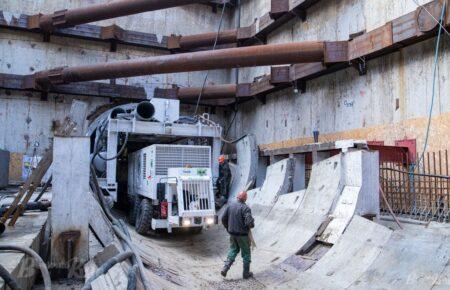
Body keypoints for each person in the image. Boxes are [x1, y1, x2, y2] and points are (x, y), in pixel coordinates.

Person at [220, 191, 255, 279]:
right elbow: (249, 223)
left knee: (233, 250)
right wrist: (251, 224)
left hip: (232, 234)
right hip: (242, 235)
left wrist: (228, 228)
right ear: (245, 198)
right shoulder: (245, 208)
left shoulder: (230, 206)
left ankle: (225, 268)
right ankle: (245, 274)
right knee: (246, 253)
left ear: (237, 197)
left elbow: (223, 218)